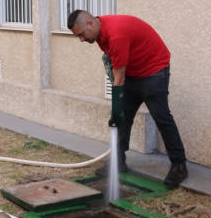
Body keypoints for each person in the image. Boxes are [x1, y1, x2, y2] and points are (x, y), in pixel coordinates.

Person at [67, 10, 188, 187]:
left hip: (154, 71)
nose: (82, 39)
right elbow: (116, 66)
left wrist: (116, 108)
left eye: (82, 34)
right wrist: (118, 111)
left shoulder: (116, 34)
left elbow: (119, 77)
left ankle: (179, 166)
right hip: (132, 73)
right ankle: (118, 161)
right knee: (122, 119)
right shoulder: (100, 34)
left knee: (161, 117)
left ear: (90, 24)